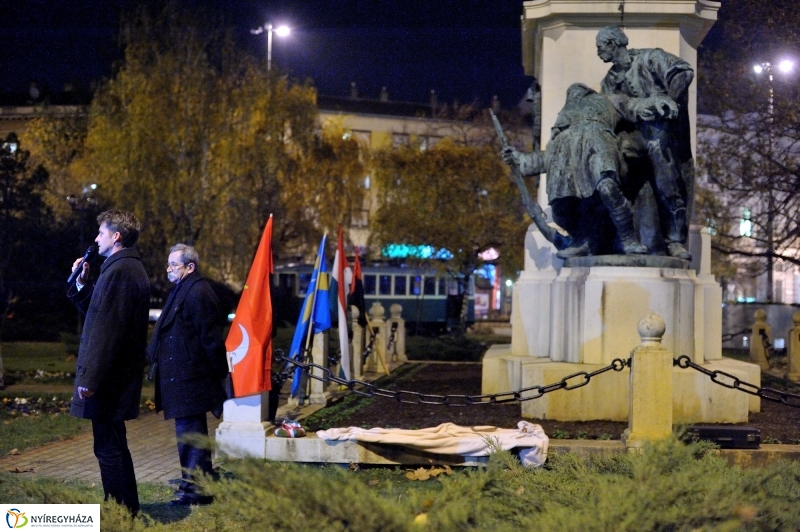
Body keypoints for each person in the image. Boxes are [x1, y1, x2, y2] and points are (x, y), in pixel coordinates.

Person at [504, 83, 675, 258]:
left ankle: (628, 239)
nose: (574, 92)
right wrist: (519, 159)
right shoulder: (562, 119)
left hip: (598, 147)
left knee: (608, 188)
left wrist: (656, 101)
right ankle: (582, 241)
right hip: (567, 165)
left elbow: (634, 106)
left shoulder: (607, 100)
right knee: (560, 208)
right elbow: (549, 155)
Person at [67, 210, 150, 516]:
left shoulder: (121, 271)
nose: (96, 238)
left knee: (108, 447)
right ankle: (126, 508)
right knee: (111, 444)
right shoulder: (121, 268)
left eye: (101, 232)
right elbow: (100, 312)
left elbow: (108, 330)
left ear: (116, 236)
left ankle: (121, 511)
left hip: (109, 380)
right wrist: (82, 282)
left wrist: (91, 378)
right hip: (113, 377)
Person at [596, 25, 695, 260]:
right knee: (610, 167)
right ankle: (618, 235)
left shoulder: (650, 58)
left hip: (660, 132)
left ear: (612, 44)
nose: (598, 52)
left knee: (666, 181)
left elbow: (684, 72)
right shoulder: (608, 81)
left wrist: (669, 101)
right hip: (632, 136)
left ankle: (674, 240)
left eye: (600, 47)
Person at [147, 243, 228, 506]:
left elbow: (211, 338)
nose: (168, 269)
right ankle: (193, 483)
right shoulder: (186, 288)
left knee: (191, 435)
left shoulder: (198, 291)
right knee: (189, 435)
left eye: (174, 264)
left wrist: (219, 375)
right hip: (183, 377)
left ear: (190, 267)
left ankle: (197, 491)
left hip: (191, 377)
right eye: (168, 264)